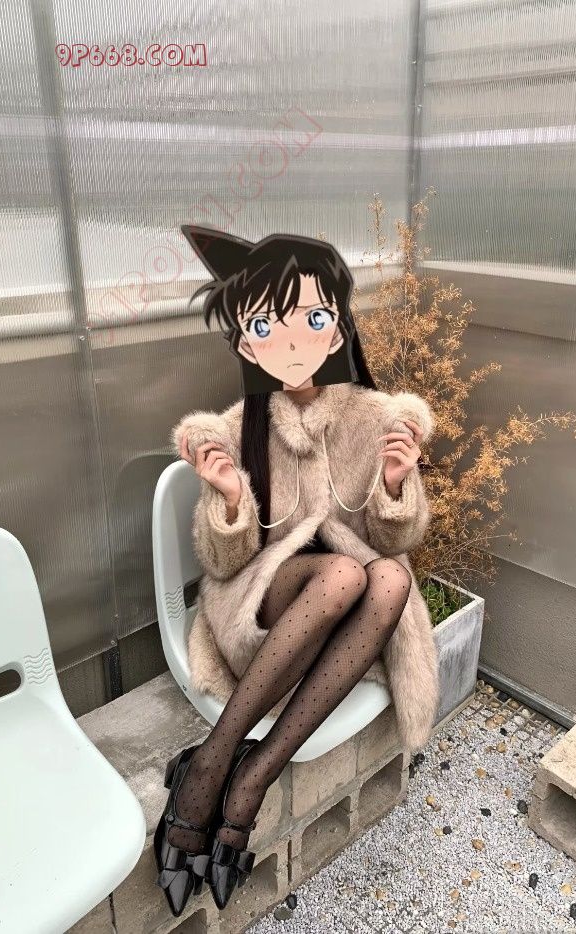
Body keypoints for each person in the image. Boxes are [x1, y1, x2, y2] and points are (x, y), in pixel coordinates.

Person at [154, 229, 440, 917]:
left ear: (337, 327)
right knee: (342, 575)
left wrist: (395, 486)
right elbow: (223, 562)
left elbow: (391, 542)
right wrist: (229, 501)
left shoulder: (372, 419)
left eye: (310, 319)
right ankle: (215, 763)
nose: (291, 342)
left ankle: (248, 776)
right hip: (259, 608)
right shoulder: (236, 427)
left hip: (339, 614)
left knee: (387, 579)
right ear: (247, 345)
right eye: (265, 326)